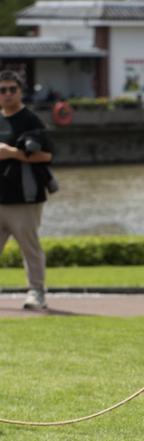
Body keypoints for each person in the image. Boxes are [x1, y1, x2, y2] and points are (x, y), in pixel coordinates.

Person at [0, 70, 54, 310]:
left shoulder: (31, 120)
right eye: (3, 90)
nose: (8, 94)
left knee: (30, 248)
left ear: (20, 92)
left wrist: (12, 153)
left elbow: (47, 155)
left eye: (13, 89)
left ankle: (36, 292)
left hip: (25, 198)